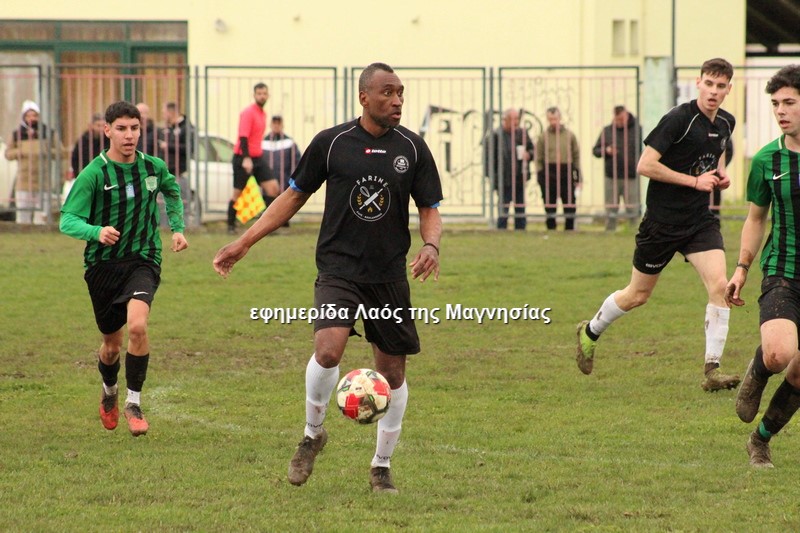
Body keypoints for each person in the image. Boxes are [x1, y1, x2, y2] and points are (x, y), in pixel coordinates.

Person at [213, 62, 443, 494]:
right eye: (388, 93)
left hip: (387, 276)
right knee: (327, 349)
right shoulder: (332, 143)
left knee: (392, 375)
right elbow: (293, 196)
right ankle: (312, 435)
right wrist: (244, 242)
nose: (397, 101)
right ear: (364, 97)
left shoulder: (413, 148)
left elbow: (429, 207)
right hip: (339, 269)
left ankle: (381, 466)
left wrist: (431, 245)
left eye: (400, 93)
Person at [576, 58, 740, 392]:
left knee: (720, 286)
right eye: (709, 84)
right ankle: (590, 331)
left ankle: (712, 369)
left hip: (699, 222)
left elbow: (717, 152)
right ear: (698, 83)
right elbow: (645, 165)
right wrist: (694, 182)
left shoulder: (726, 122)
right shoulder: (678, 119)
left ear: (728, 89)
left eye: (721, 86)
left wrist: (720, 174)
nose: (713, 91)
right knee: (637, 295)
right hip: (661, 224)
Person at [60, 101, 189, 437]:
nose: (129, 135)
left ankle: (134, 403)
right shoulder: (95, 173)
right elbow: (67, 219)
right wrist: (95, 232)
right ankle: (110, 391)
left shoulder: (153, 167)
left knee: (138, 327)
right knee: (111, 346)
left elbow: (172, 191)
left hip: (143, 259)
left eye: (134, 128)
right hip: (102, 266)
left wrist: (177, 228)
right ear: (107, 131)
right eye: (121, 129)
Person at [726, 65, 800, 468]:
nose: (780, 111)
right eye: (775, 104)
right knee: (779, 354)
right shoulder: (767, 160)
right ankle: (758, 368)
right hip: (783, 270)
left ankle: (760, 439)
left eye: (789, 102)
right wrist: (741, 268)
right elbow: (755, 219)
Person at [5, 99, 68, 224]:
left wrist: (46, 150)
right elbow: (8, 154)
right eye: (28, 116)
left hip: (42, 181)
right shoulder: (17, 134)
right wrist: (20, 151)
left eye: (34, 115)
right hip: (24, 181)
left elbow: (61, 152)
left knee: (41, 217)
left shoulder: (48, 133)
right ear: (24, 117)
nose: (32, 119)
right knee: (23, 216)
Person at [228, 83, 279, 234]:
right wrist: (246, 158)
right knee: (237, 193)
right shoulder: (248, 112)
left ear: (268, 95)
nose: (262, 96)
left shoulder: (263, 114)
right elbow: (243, 136)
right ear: (254, 95)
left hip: (258, 157)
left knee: (273, 188)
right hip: (243, 157)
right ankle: (230, 225)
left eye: (264, 93)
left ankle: (267, 225)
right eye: (259, 94)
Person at [592, 105, 642, 231]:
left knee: (632, 207)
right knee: (611, 208)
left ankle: (634, 231)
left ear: (627, 115)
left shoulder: (638, 130)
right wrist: (606, 150)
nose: (619, 122)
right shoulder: (607, 131)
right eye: (617, 119)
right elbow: (595, 150)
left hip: (631, 175)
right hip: (611, 176)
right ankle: (610, 231)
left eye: (622, 119)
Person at [485, 108, 534, 230]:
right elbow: (488, 159)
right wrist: (493, 177)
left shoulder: (522, 134)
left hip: (519, 177)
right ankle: (501, 230)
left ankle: (521, 230)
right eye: (513, 119)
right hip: (503, 178)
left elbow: (532, 149)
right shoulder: (495, 135)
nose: (516, 122)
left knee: (520, 207)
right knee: (503, 208)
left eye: (517, 119)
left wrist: (529, 154)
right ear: (505, 120)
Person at [535, 107, 580, 230]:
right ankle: (551, 227)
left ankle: (569, 227)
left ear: (560, 118)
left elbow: (576, 155)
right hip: (549, 171)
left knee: (569, 201)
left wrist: (577, 175)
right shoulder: (543, 137)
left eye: (555, 119)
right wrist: (540, 173)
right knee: (549, 202)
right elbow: (538, 157)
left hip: (566, 170)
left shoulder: (569, 135)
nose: (553, 122)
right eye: (550, 119)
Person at [158, 102, 193, 227]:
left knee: (180, 202)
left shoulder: (187, 128)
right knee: (163, 204)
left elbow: (189, 148)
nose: (163, 116)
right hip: (165, 173)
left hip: (179, 173)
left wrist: (169, 146)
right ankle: (165, 227)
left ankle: (183, 228)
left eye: (164, 113)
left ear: (171, 112)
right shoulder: (167, 128)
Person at [262, 115, 302, 193]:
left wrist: (290, 182)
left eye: (279, 123)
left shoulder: (289, 143)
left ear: (282, 125)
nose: (276, 126)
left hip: (285, 186)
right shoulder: (263, 143)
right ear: (270, 125)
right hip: (266, 187)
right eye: (274, 123)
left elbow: (297, 164)